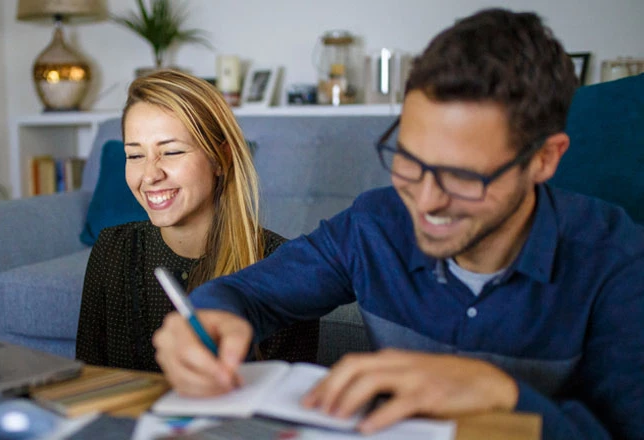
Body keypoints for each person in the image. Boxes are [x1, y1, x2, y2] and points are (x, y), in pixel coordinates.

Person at [152, 9, 644, 440]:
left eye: (462, 176)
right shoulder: (374, 224)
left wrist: (499, 392)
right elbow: (249, 294)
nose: (425, 201)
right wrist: (208, 318)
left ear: (544, 160)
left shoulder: (616, 258)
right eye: (409, 159)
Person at [75, 70, 319, 372]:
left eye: (172, 151)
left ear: (221, 159)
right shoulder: (111, 249)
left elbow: (284, 400)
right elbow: (88, 379)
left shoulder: (282, 267)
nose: (150, 175)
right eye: (135, 156)